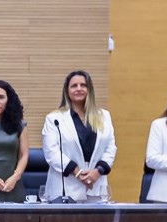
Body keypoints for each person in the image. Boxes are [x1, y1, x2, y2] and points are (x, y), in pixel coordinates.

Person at [41, 70, 117, 202]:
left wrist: (97, 172)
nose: (79, 89)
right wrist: (77, 172)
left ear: (89, 89)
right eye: (74, 86)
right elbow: (51, 152)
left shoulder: (104, 116)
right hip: (66, 187)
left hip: (96, 186)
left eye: (83, 85)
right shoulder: (54, 118)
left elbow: (111, 148)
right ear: (67, 91)